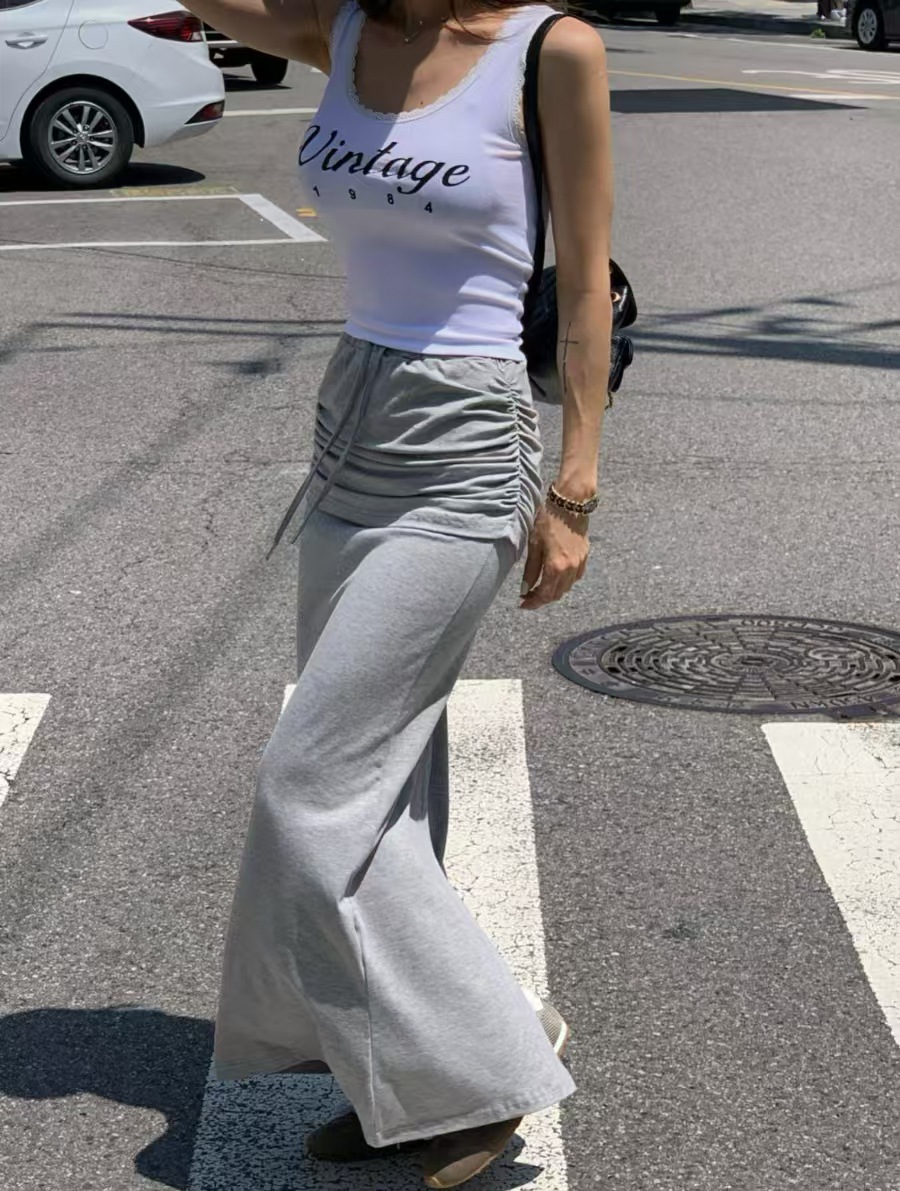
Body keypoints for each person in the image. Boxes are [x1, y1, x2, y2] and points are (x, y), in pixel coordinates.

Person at [182, 0, 613, 1183]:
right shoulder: (342, 30)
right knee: (383, 791)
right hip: (350, 423)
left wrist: (573, 487)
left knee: (309, 785)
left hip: (468, 441)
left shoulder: (549, 50)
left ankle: (485, 1061)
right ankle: (411, 1080)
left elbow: (585, 289)